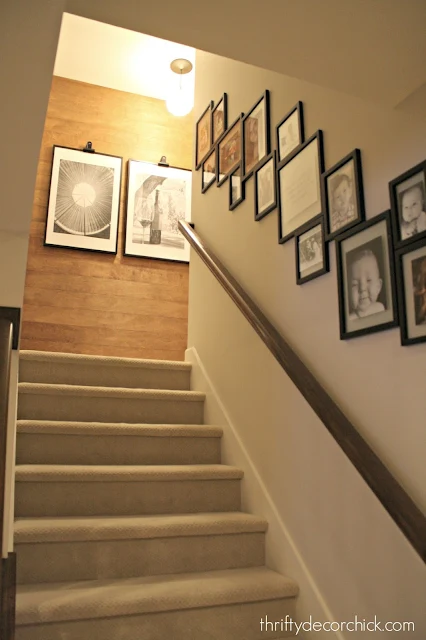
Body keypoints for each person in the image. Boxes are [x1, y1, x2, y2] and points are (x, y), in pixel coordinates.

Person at [349, 249, 385, 319]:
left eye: (368, 280)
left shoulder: (379, 308)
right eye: (354, 284)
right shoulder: (349, 320)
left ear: (379, 286)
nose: (362, 288)